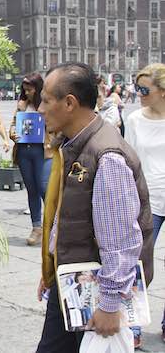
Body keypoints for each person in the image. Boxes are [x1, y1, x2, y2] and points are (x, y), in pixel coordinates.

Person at [35, 62, 153, 353]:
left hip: (95, 294)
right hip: (71, 283)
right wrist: (52, 271)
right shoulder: (75, 144)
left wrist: (110, 303)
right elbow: (69, 217)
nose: (40, 109)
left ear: (70, 103)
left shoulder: (106, 155)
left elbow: (120, 239)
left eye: (46, 100)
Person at [124, 63, 165, 343]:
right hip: (148, 200)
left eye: (144, 89)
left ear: (162, 91)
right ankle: (133, 326)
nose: (138, 93)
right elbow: (128, 160)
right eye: (136, 88)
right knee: (139, 264)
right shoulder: (136, 118)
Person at [9, 74, 55, 246]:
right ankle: (37, 227)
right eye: (25, 89)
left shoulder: (46, 106)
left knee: (44, 187)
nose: (27, 92)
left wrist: (45, 126)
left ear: (38, 88)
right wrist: (13, 134)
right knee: (31, 189)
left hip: (43, 151)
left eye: (30, 89)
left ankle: (53, 226)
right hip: (24, 151)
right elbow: (13, 125)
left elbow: (56, 126)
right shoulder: (21, 105)